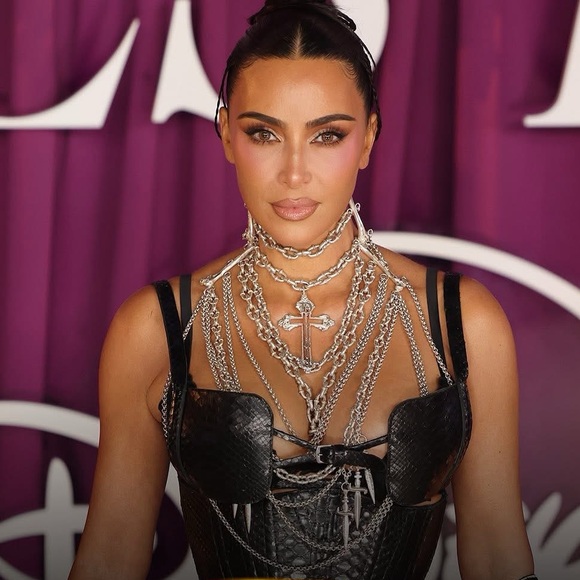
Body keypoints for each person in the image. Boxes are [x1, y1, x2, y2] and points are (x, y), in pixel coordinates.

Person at [69, 1, 537, 578]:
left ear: (368, 138)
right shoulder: (155, 328)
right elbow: (109, 561)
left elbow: (497, 559)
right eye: (264, 133)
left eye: (327, 135)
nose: (294, 172)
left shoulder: (461, 322)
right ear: (226, 134)